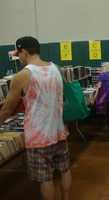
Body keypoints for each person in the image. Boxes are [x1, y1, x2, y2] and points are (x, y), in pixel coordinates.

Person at [0, 36, 71, 200]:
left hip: (39, 137)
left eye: (19, 54)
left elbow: (7, 109)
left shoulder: (23, 75)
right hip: (59, 131)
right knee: (65, 169)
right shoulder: (56, 69)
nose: (19, 58)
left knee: (45, 178)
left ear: (24, 52)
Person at [91, 62, 109, 139]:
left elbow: (98, 88)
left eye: (102, 67)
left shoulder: (103, 75)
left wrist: (93, 98)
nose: (101, 68)